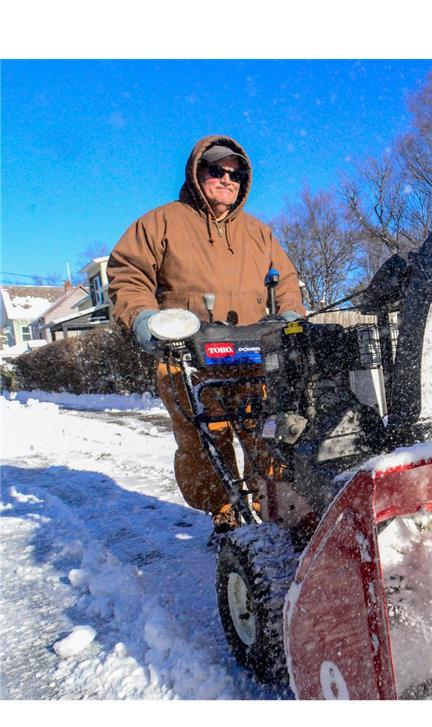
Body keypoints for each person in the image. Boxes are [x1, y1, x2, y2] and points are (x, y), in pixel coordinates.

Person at [107, 135, 306, 533]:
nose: (226, 179)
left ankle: (273, 507)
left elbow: (285, 280)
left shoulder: (259, 233)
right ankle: (226, 516)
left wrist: (288, 316)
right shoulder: (161, 223)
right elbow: (128, 276)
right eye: (216, 170)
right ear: (198, 173)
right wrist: (145, 319)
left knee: (267, 432)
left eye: (235, 174)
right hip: (187, 358)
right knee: (204, 444)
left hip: (252, 352)